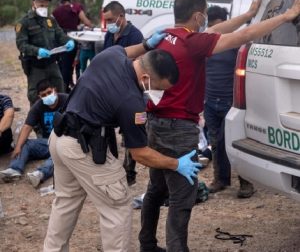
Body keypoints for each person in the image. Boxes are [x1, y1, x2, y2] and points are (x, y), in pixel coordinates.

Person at [139, 0, 300, 252]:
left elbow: (217, 32)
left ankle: (146, 244)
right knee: (181, 197)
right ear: (198, 16)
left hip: (156, 124)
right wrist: (287, 15)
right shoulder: (193, 43)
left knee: (156, 189)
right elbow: (242, 37)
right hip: (179, 129)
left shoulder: (167, 36)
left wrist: (247, 15)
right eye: (204, 16)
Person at [43, 42, 201, 252]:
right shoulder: (132, 102)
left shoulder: (111, 55)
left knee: (66, 202)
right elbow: (140, 154)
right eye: (159, 88)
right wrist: (176, 164)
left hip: (59, 137)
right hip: (83, 148)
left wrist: (146, 44)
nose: (158, 94)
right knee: (116, 206)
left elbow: (129, 51)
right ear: (146, 79)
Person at [204, 6, 254, 197]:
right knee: (216, 142)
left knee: (235, 142)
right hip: (209, 102)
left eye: (221, 26)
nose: (219, 31)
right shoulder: (206, 43)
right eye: (215, 26)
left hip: (230, 103)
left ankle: (246, 182)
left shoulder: (235, 44)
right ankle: (221, 179)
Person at [102, 0, 144, 185]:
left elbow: (136, 62)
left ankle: (129, 172)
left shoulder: (135, 35)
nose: (108, 24)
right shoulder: (109, 36)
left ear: (121, 16)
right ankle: (111, 166)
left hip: (129, 90)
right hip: (111, 88)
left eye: (110, 19)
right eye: (106, 20)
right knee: (107, 127)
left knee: (131, 130)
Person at [0, 79, 68, 188]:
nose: (47, 96)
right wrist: (18, 147)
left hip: (65, 142)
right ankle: (14, 169)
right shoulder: (38, 106)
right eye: (43, 95)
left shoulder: (67, 100)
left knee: (60, 154)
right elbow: (27, 127)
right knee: (24, 143)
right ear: (39, 96)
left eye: (49, 92)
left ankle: (40, 174)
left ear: (55, 90)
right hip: (47, 142)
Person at [15, 0, 74, 105]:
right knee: (36, 96)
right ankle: (36, 121)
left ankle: (60, 118)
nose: (44, 7)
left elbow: (60, 34)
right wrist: (37, 51)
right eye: (41, 5)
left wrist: (68, 41)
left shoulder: (50, 20)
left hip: (52, 63)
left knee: (60, 90)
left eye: (46, 5)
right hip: (36, 66)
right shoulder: (24, 22)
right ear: (34, 4)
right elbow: (21, 45)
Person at [53, 0, 93, 92]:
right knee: (72, 65)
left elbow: (51, 27)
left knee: (62, 65)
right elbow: (87, 22)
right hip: (74, 39)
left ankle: (63, 88)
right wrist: (90, 26)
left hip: (60, 40)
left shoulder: (56, 11)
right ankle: (70, 88)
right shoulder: (76, 8)